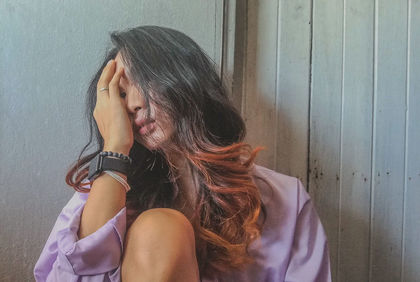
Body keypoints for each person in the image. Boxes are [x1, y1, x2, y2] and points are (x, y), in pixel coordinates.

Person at [33, 25, 331, 282]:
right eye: (121, 94)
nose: (133, 103)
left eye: (144, 80)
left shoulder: (285, 201)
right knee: (159, 230)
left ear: (184, 77)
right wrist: (114, 149)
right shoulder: (103, 191)